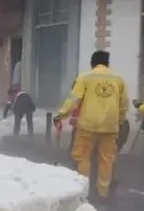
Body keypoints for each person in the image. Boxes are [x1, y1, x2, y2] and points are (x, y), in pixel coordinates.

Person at [54, 50, 129, 201]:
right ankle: (103, 192)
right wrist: (119, 122)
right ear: (107, 63)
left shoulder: (85, 77)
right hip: (110, 126)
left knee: (83, 158)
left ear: (92, 63)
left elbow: (74, 99)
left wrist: (60, 115)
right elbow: (124, 104)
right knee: (106, 160)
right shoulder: (119, 79)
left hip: (88, 126)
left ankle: (84, 192)